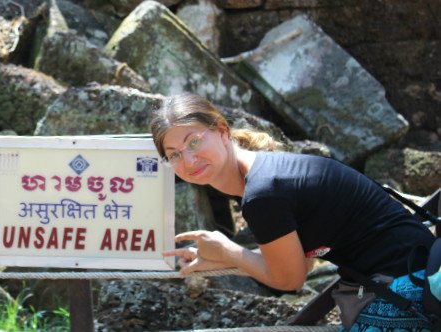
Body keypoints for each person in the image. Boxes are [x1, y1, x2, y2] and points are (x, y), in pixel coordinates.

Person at [151, 93, 436, 331]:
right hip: (415, 277)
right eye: (174, 154)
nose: (188, 159)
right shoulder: (265, 172)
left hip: (409, 291)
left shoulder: (262, 194)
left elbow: (291, 279)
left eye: (194, 142)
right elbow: (295, 260)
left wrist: (227, 250)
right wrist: (215, 258)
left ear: (222, 131)